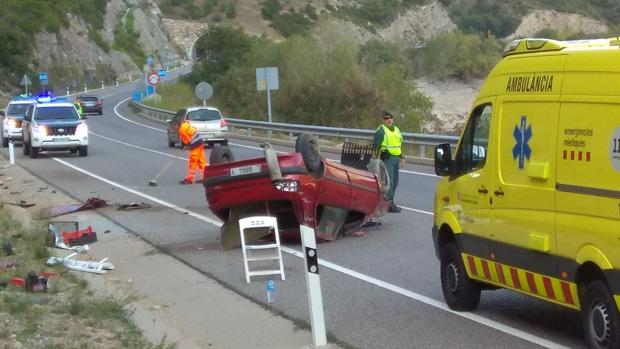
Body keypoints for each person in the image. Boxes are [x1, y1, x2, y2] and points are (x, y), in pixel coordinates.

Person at [373, 110, 405, 213]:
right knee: (389, 182)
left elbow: (399, 144)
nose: (389, 120)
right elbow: (376, 147)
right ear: (383, 120)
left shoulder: (396, 130)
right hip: (387, 159)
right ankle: (389, 204)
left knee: (395, 182)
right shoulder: (381, 131)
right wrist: (376, 160)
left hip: (395, 158)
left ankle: (390, 201)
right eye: (387, 118)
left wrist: (402, 156)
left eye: (390, 118)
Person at [178, 120, 206, 185]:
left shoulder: (182, 129)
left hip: (196, 144)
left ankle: (189, 179)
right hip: (199, 142)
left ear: (177, 125)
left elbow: (191, 138)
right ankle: (204, 178)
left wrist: (187, 146)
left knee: (192, 161)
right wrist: (187, 145)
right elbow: (192, 134)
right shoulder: (185, 125)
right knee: (200, 161)